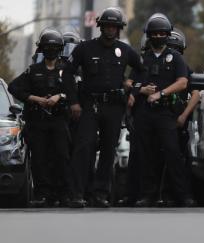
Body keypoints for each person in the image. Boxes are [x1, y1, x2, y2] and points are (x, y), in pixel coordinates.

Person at [64, 7, 144, 208]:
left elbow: (143, 69)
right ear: (100, 27)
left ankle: (100, 194)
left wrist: (132, 88)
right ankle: (77, 194)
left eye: (114, 27)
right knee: (84, 147)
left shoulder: (125, 50)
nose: (110, 30)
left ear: (119, 29)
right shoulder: (85, 48)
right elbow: (67, 73)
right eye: (107, 26)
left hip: (114, 107)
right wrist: (73, 101)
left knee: (109, 150)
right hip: (90, 105)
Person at [130, 14, 193, 207]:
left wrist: (161, 94)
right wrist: (140, 90)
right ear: (148, 36)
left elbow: (183, 82)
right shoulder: (142, 59)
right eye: (154, 33)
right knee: (146, 155)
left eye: (162, 33)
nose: (158, 36)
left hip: (166, 113)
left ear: (167, 35)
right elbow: (129, 81)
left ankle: (181, 195)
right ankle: (148, 195)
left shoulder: (175, 58)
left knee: (172, 153)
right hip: (144, 113)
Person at [8, 29, 74, 207]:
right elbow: (14, 87)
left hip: (59, 120)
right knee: (39, 158)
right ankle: (43, 194)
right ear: (42, 49)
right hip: (38, 121)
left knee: (62, 156)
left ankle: (64, 194)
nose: (51, 50)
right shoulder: (33, 70)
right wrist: (35, 99)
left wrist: (59, 97)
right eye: (47, 47)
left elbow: (75, 92)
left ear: (60, 49)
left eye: (55, 47)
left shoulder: (67, 70)